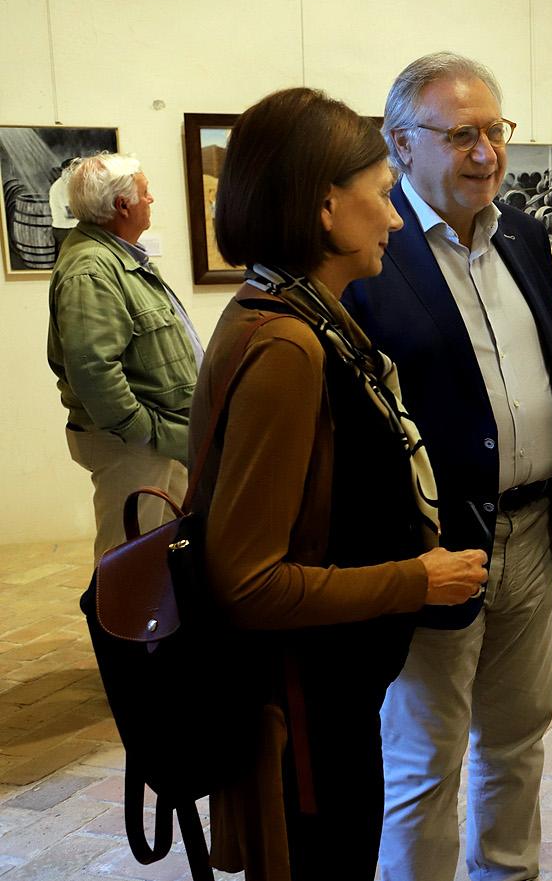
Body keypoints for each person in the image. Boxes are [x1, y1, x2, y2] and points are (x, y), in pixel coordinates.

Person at [192, 87, 489, 880]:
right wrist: (416, 579)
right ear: (327, 206)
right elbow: (246, 581)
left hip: (331, 697)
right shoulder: (287, 344)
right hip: (304, 716)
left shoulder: (298, 312)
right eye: (384, 195)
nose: (395, 219)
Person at [341, 52, 552, 881]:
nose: (487, 152)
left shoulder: (524, 234)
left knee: (520, 736)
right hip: (433, 552)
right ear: (401, 143)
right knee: (426, 760)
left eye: (495, 131)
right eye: (462, 135)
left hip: (530, 533)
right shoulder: (368, 251)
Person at [46, 153, 201, 563]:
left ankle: (158, 627)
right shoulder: (92, 268)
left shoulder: (116, 256)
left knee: (162, 551)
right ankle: (122, 629)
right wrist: (141, 432)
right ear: (122, 206)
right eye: (145, 193)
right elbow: (93, 369)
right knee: (131, 560)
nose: (151, 199)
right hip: (133, 444)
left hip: (158, 437)